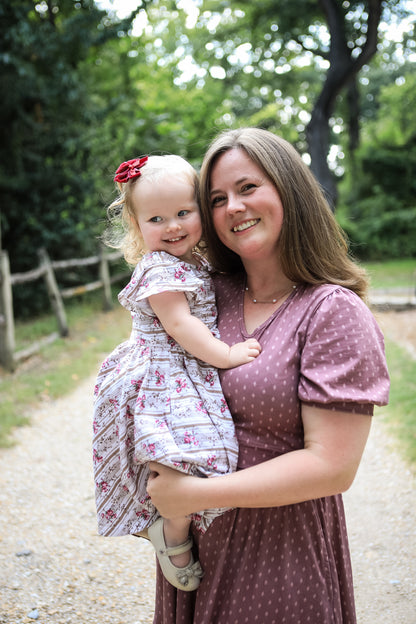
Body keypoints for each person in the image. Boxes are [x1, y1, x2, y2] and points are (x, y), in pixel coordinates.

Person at [146, 128, 390, 623]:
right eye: (216, 198)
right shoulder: (206, 298)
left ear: (289, 191)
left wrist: (192, 495)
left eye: (248, 187)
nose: (233, 206)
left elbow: (332, 466)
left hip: (280, 551)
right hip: (197, 546)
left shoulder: (330, 311)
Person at [92, 154, 261, 593]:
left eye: (184, 213)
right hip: (162, 375)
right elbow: (181, 326)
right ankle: (172, 532)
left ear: (201, 211)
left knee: (197, 450)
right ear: (136, 224)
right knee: (178, 455)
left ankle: (181, 519)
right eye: (156, 218)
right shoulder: (160, 268)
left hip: (181, 370)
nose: (173, 227)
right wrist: (225, 354)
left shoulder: (192, 263)